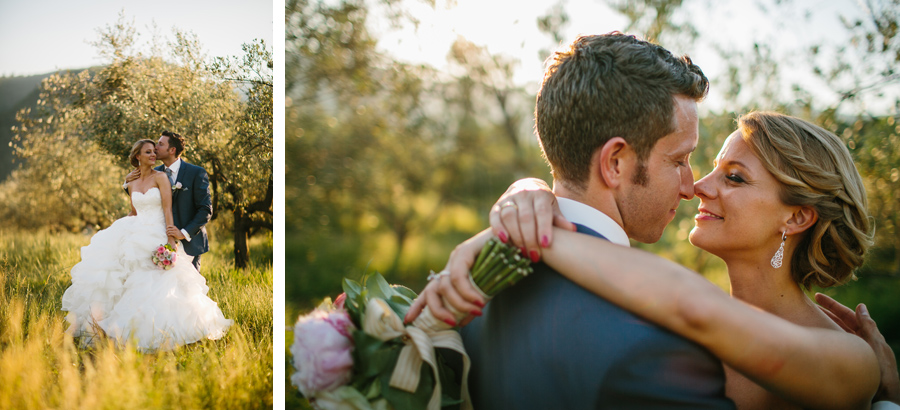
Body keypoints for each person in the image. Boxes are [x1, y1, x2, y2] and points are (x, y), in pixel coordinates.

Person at [410, 112, 900, 408]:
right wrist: (529, 191)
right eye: (709, 167)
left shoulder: (853, 361)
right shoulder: (672, 315)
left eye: (734, 178)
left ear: (796, 219)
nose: (698, 187)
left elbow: (692, 306)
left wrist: (522, 229)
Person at [412, 32, 736, 409]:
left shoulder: (460, 290)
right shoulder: (652, 345)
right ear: (615, 163)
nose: (688, 187)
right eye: (679, 160)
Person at [62, 139, 231, 351]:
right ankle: (118, 330)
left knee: (160, 282)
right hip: (135, 231)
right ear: (137, 157)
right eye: (148, 152)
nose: (153, 154)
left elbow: (168, 210)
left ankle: (169, 332)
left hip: (157, 232)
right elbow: (134, 212)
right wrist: (124, 229)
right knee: (122, 280)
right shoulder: (131, 182)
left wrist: (170, 241)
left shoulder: (161, 177)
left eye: (155, 150)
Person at [125, 130, 212, 272]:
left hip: (188, 240)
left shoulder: (196, 173)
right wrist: (127, 181)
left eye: (160, 144)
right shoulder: (153, 173)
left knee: (187, 288)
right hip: (157, 237)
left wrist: (183, 233)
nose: (156, 148)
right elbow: (140, 197)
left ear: (172, 150)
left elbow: (205, 210)